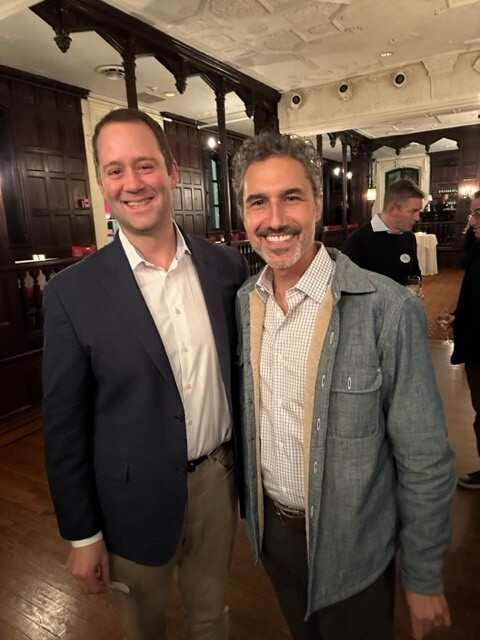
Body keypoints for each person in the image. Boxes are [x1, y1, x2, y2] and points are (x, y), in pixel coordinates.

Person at [232, 132, 455, 640]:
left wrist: (422, 572)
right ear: (245, 216)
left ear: (317, 204)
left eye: (291, 197)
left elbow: (423, 455)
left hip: (355, 543)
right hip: (273, 537)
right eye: (257, 202)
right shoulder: (246, 303)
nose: (275, 219)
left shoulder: (387, 309)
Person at [42, 108, 248, 640]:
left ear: (173, 171)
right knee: (143, 629)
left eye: (144, 166)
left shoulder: (226, 268)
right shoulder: (72, 293)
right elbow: (63, 426)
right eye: (115, 171)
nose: (132, 183)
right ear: (102, 184)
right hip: (130, 501)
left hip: (216, 483)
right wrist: (83, 534)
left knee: (212, 617)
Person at [437, 190, 480, 489]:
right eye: (472, 213)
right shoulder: (477, 248)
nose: (472, 220)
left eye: (478, 213)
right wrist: (459, 314)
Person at [342, 178, 423, 285]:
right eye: (413, 211)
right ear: (393, 210)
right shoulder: (357, 240)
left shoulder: (409, 237)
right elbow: (345, 285)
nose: (418, 218)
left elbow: (414, 275)